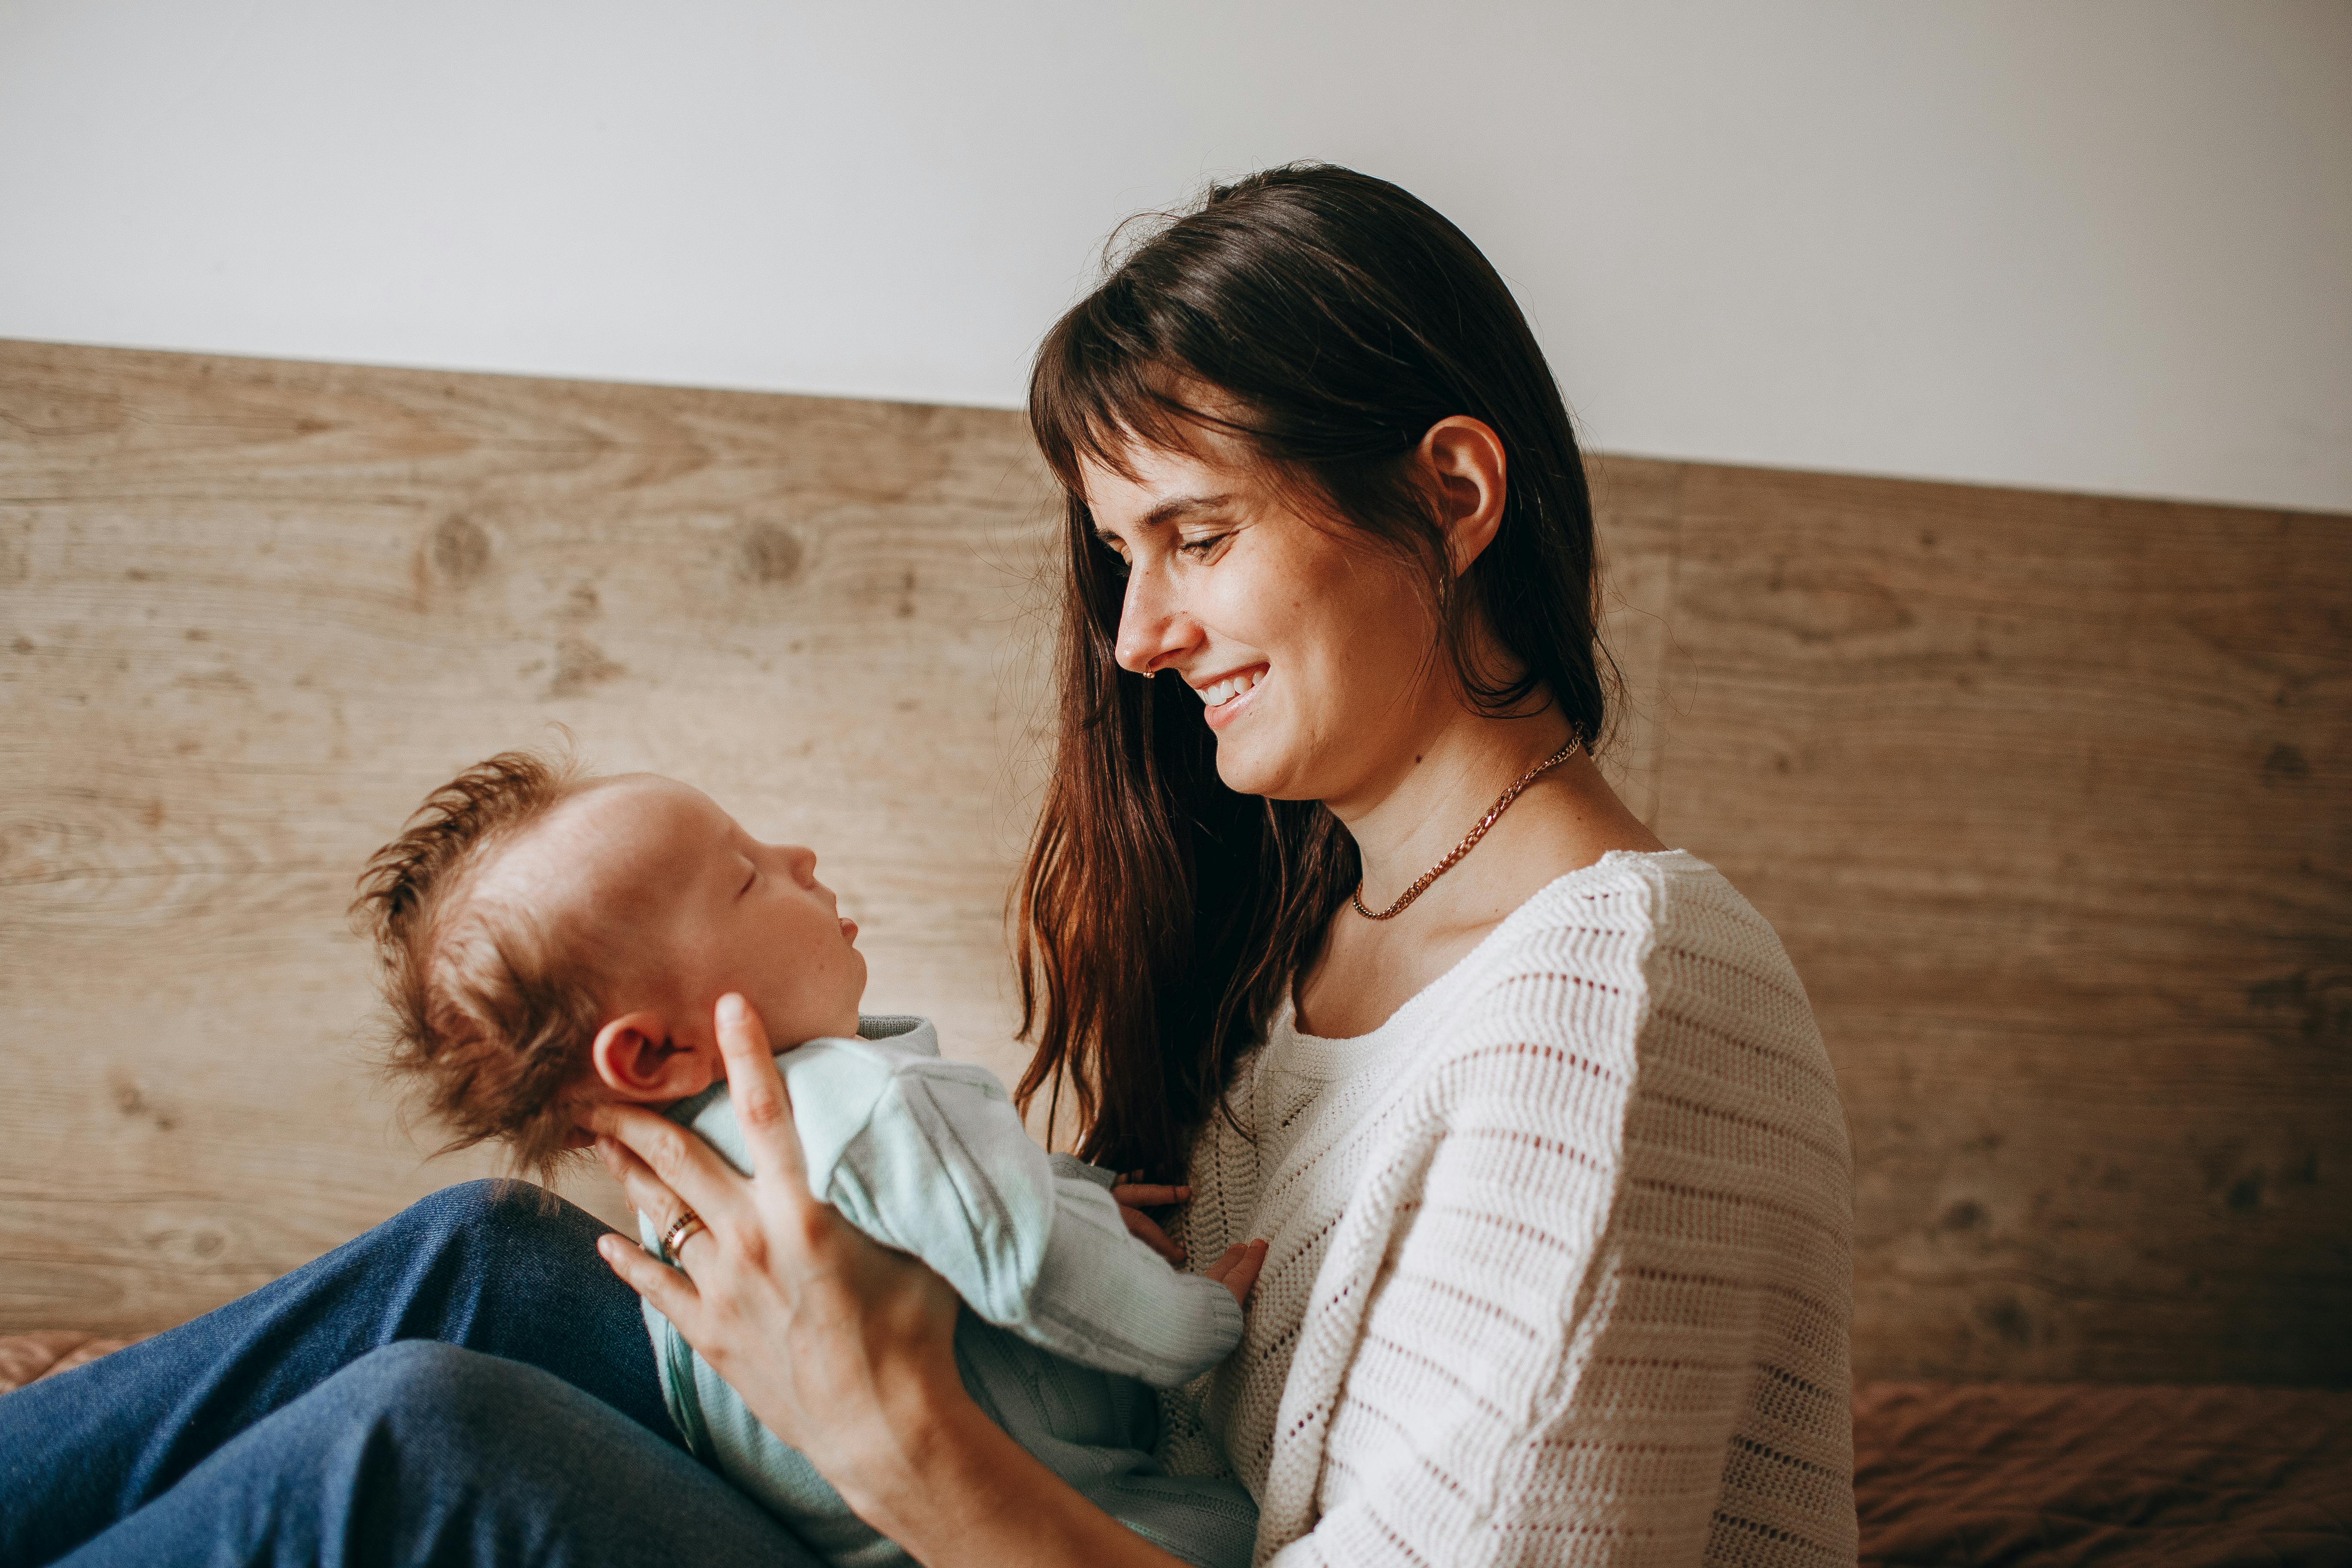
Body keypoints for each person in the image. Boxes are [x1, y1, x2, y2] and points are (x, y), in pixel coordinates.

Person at [0, 162, 1856, 1568]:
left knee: (412, 1443)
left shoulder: (1621, 999)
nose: (1138, 636)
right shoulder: (1322, 931)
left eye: (1195, 537)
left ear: (1451, 497)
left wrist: (889, 1427)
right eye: (1124, 555)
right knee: (481, 1259)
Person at [346, 750, 1266, 1567]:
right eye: (746, 876)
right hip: (1071, 1511)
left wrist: (1072, 1188)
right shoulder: (863, 1106)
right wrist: (1197, 1325)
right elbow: (1029, 1259)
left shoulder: (688, 1186)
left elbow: (963, 1205)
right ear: (655, 1053)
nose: (801, 859)